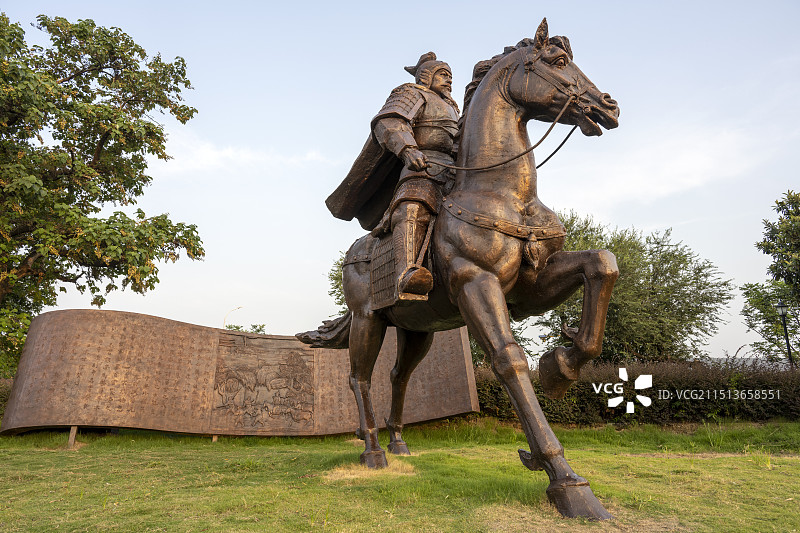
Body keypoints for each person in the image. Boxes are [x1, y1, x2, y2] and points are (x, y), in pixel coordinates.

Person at [326, 52, 460, 299]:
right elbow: (389, 122)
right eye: (443, 74)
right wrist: (408, 149)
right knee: (412, 207)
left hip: (457, 170)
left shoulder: (453, 107)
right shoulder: (412, 93)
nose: (449, 80)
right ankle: (407, 271)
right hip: (422, 166)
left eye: (451, 76)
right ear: (426, 76)